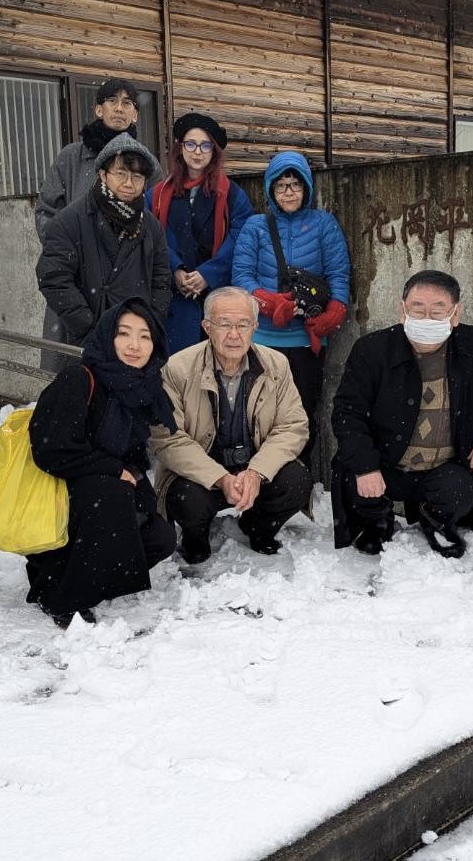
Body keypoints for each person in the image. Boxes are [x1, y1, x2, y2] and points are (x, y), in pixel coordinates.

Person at [331, 270, 473, 559]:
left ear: (456, 313)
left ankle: (433, 520)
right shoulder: (372, 350)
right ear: (403, 309)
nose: (427, 318)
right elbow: (348, 412)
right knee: (351, 473)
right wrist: (366, 467)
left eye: (437, 310)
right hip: (386, 463)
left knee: (460, 488)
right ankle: (377, 523)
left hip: (445, 466)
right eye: (418, 308)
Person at [27, 298, 178, 628]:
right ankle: (63, 595)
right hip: (59, 493)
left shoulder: (141, 388)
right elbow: (52, 449)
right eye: (124, 334)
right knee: (109, 494)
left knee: (160, 536)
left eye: (145, 336)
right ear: (108, 337)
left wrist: (136, 480)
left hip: (100, 496)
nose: (134, 345)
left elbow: (133, 452)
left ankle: (82, 576)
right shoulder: (79, 379)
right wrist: (111, 470)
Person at [151, 286, 312, 564]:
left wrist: (256, 473)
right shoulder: (177, 368)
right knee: (188, 501)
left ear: (255, 327)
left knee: (297, 481)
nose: (234, 334)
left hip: (253, 467)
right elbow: (168, 438)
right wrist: (220, 478)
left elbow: (293, 426)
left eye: (243, 324)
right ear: (207, 327)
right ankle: (195, 538)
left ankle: (257, 527)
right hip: (201, 474)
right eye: (224, 324)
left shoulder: (277, 364)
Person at [231, 150, 350, 465]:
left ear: (307, 188)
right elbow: (242, 276)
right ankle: (259, 472)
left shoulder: (324, 224)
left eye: (296, 184)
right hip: (261, 339)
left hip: (306, 338)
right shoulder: (256, 226)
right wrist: (269, 304)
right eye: (281, 185)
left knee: (302, 410)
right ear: (271, 188)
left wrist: (335, 310)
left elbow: (338, 273)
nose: (289, 191)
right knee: (258, 410)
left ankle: (298, 477)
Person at [35, 78, 163, 369]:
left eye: (127, 103)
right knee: (71, 375)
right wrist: (70, 253)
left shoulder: (148, 165)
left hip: (127, 284)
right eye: (112, 102)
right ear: (98, 110)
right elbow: (46, 212)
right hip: (76, 282)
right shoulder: (71, 156)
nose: (119, 109)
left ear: (136, 114)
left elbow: (154, 224)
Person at [150, 112, 253, 353]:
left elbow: (241, 237)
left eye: (205, 145)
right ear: (180, 149)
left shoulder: (232, 195)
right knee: (177, 369)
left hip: (216, 296)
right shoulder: (157, 195)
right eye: (191, 144)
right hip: (172, 299)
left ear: (214, 151)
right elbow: (153, 235)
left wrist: (208, 273)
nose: (197, 152)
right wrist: (175, 268)